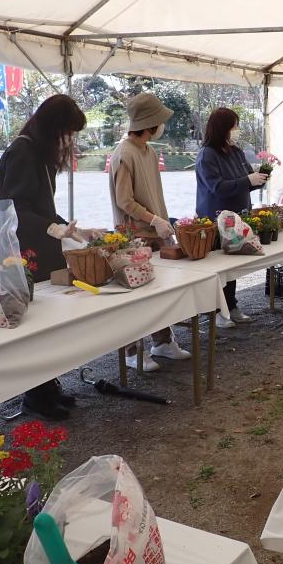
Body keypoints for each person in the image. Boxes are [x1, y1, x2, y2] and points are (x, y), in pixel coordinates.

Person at [0, 94, 87, 420]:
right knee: (34, 326)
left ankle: (48, 387)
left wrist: (63, 227)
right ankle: (35, 395)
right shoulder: (23, 152)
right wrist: (51, 228)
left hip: (39, 248)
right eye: (67, 132)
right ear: (52, 128)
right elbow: (15, 208)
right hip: (21, 253)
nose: (68, 141)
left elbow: (41, 207)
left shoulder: (38, 152)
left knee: (48, 322)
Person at [109, 92, 191, 371]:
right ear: (151, 123)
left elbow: (153, 192)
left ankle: (162, 341)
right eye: (160, 120)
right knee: (135, 296)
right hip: (134, 236)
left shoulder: (148, 150)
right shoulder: (124, 154)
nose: (162, 125)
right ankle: (131, 351)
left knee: (159, 292)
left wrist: (161, 221)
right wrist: (153, 219)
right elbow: (124, 200)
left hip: (156, 232)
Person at [195, 107, 268, 328]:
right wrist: (248, 180)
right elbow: (217, 187)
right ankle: (217, 311)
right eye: (234, 126)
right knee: (218, 267)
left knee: (233, 266)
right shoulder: (207, 154)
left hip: (238, 218)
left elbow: (244, 182)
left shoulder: (235, 151)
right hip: (216, 218)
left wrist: (260, 178)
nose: (236, 130)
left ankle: (231, 305)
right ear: (222, 128)